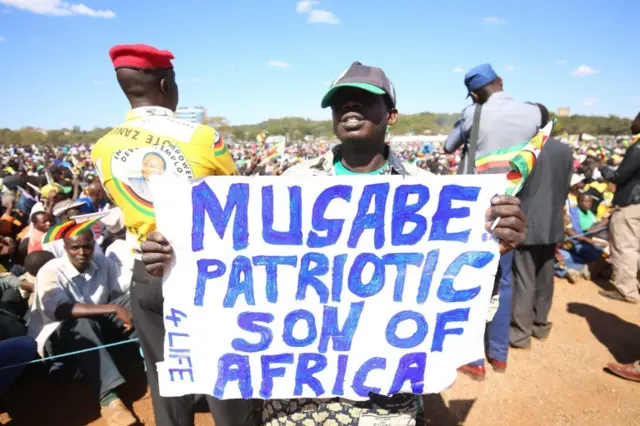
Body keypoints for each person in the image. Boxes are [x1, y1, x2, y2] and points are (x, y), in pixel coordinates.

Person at [140, 61, 528, 426]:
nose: (350, 106)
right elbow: (239, 274)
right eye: (340, 102)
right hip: (296, 403)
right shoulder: (291, 184)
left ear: (391, 114)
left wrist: (492, 251)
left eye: (364, 99)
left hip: (385, 403)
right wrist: (174, 259)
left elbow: (455, 294)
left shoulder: (430, 193)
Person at [90, 44, 249, 426]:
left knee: (163, 375)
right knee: (221, 371)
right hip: (204, 271)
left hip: (146, 273)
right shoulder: (203, 138)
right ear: (165, 85)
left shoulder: (102, 147)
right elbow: (237, 199)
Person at [27, 230, 135, 426]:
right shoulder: (51, 270)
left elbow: (128, 285)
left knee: (136, 301)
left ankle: (148, 361)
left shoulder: (101, 263)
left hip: (97, 326)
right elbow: (61, 310)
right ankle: (109, 398)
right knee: (81, 322)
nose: (82, 252)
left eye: (86, 246)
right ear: (65, 249)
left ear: (93, 245)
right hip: (61, 338)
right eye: (75, 247)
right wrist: (113, 307)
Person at [509, 137, 573, 349]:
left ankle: (520, 334)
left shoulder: (526, 147)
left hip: (528, 221)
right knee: (545, 278)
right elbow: (565, 187)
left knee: (524, 280)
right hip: (553, 222)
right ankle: (540, 325)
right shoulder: (564, 149)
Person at [444, 63, 542, 160]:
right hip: (526, 175)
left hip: (484, 175)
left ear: (474, 96)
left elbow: (448, 147)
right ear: (500, 80)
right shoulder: (535, 111)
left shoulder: (470, 114)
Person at [598, 112, 640, 303]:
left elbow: (619, 177)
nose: (633, 122)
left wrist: (603, 168)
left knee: (625, 247)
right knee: (635, 247)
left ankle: (626, 291)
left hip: (630, 204)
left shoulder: (638, 147)